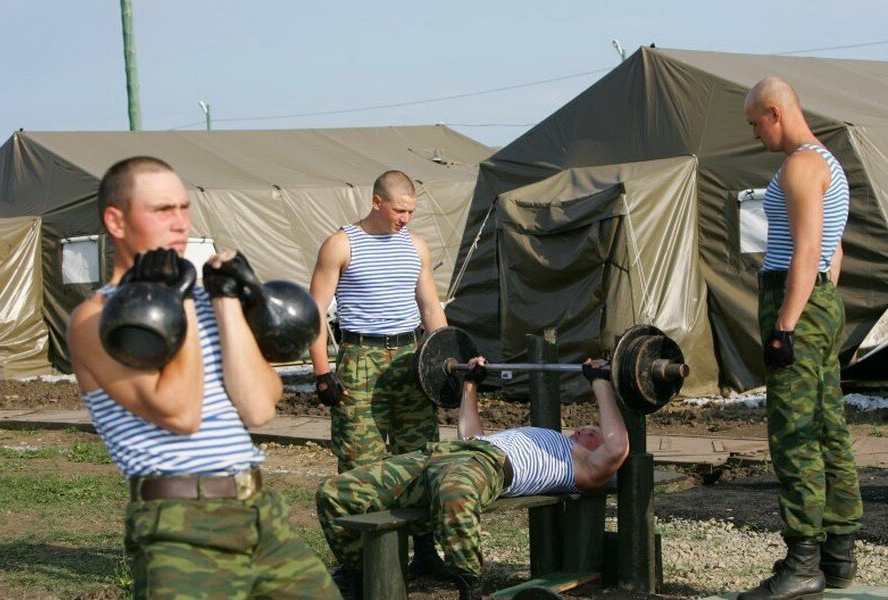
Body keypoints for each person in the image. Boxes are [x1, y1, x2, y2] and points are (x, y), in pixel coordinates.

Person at [67, 156, 340, 599]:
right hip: (180, 526)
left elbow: (258, 405)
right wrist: (180, 301)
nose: (179, 223)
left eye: (183, 208)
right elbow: (180, 414)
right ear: (116, 221)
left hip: (256, 511)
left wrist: (226, 299)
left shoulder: (200, 299)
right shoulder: (98, 318)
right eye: (161, 210)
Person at [316, 356, 629, 599]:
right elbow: (471, 437)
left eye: (594, 432)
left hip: (488, 465)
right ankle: (360, 580)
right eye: (587, 427)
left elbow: (617, 446)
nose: (586, 428)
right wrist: (471, 384)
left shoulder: (583, 467)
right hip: (443, 455)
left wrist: (600, 382)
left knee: (455, 493)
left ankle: (470, 588)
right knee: (334, 493)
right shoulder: (550, 437)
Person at [739, 78, 863, 600]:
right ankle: (838, 557)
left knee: (794, 434)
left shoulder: (801, 165)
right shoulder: (829, 163)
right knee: (828, 426)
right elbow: (834, 254)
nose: (754, 134)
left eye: (754, 124)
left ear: (775, 112)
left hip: (796, 304)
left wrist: (787, 325)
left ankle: (803, 562)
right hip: (818, 303)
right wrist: (820, 308)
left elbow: (808, 251)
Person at [309, 169, 450, 577]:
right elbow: (314, 313)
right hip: (360, 359)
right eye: (399, 210)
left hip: (409, 358)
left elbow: (430, 307)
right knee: (358, 461)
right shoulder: (340, 244)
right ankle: (358, 566)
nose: (405, 218)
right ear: (377, 202)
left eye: (411, 211)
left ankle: (424, 552)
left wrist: (443, 356)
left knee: (420, 455)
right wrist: (322, 373)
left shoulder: (415, 247)